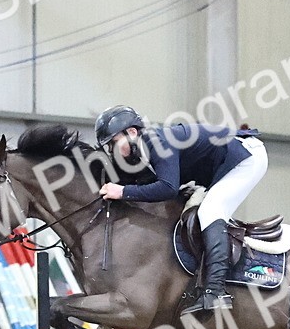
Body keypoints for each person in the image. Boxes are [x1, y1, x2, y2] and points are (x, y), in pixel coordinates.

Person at [94, 105, 267, 315]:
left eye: (114, 142)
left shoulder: (156, 142)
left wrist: (122, 192)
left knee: (210, 211)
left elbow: (168, 187)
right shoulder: (139, 151)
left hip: (246, 158)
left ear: (131, 132)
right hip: (223, 163)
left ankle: (216, 291)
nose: (113, 150)